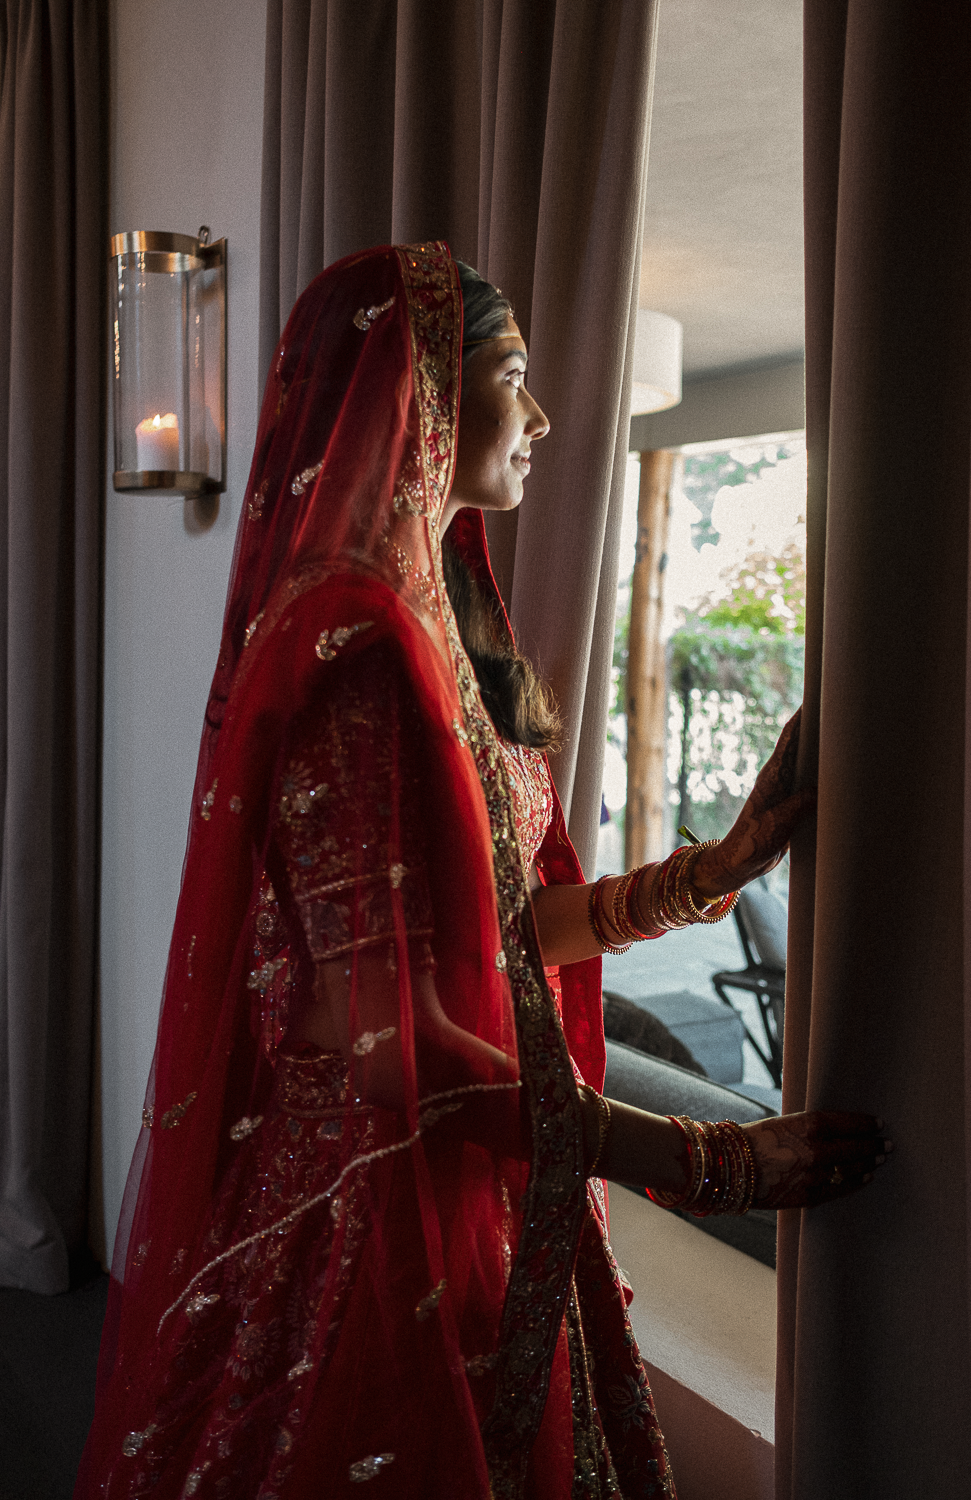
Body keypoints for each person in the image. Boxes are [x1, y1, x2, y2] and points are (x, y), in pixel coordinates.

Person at [77, 242, 888, 1500]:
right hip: (368, 1223)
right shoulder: (354, 637)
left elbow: (503, 937)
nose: (547, 415)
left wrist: (708, 871)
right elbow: (382, 1040)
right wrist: (711, 1164)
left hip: (463, 1183)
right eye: (514, 373)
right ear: (426, 393)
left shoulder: (434, 622)